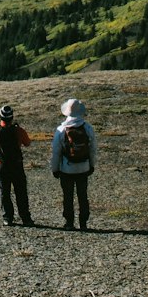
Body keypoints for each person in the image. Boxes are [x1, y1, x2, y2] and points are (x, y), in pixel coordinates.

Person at [50, 97, 97, 231]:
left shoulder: (61, 129)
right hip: (83, 167)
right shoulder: (87, 128)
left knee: (68, 196)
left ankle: (69, 222)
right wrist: (91, 165)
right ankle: (83, 223)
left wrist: (55, 169)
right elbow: (93, 149)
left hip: (66, 168)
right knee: (83, 195)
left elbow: (56, 152)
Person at [0, 103, 34, 227]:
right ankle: (26, 218)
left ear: (0, 117)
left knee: (4, 192)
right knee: (21, 192)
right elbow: (27, 143)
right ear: (12, 117)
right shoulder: (18, 130)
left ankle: (7, 218)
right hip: (16, 165)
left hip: (1, 166)